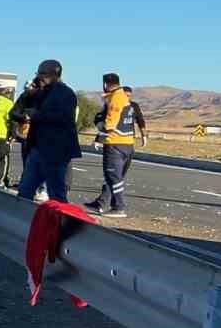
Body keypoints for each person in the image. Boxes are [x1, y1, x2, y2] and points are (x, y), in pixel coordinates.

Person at [15, 59, 82, 202]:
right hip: (38, 148)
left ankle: (58, 221)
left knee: (56, 193)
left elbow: (63, 118)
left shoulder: (65, 93)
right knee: (25, 189)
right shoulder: (42, 92)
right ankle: (23, 220)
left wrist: (36, 115)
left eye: (42, 73)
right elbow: (19, 108)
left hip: (55, 151)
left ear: (55, 74)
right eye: (37, 73)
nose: (39, 76)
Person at [84, 73, 135, 217]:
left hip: (115, 143)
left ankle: (118, 207)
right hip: (127, 143)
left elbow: (110, 124)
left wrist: (99, 124)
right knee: (114, 176)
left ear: (106, 84)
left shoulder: (115, 99)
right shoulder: (124, 97)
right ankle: (102, 203)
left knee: (113, 175)